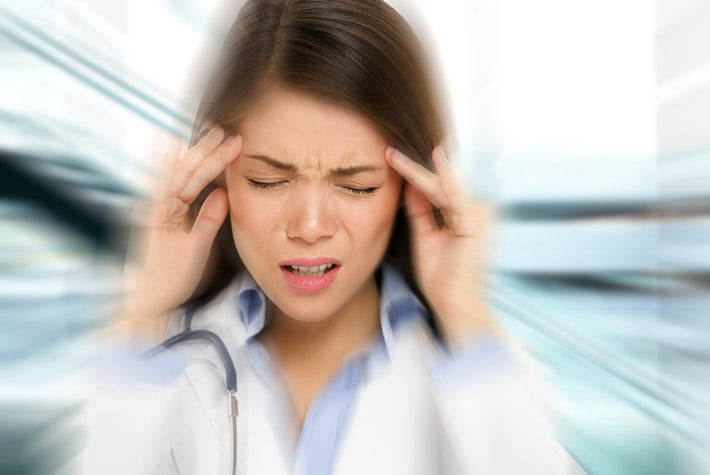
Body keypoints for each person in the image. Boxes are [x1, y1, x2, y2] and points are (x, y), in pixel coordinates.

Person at [77, 0, 581, 474]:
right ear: (216, 176)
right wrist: (142, 313)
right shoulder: (161, 360)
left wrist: (464, 313)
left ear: (413, 186)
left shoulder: (473, 369)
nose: (310, 226)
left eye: (357, 185)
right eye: (268, 181)